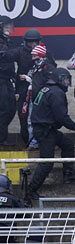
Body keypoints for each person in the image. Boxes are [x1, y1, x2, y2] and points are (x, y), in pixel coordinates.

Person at [25, 68, 75, 206]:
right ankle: (30, 190)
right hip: (45, 131)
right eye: (66, 79)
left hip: (46, 129)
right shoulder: (56, 93)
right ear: (59, 79)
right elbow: (61, 116)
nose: (67, 82)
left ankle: (68, 174)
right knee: (47, 162)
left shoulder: (46, 89)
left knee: (67, 144)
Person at [1, 28, 56, 145]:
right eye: (30, 42)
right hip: (23, 90)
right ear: (25, 42)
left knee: (38, 116)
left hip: (39, 90)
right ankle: (27, 140)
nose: (33, 45)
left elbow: (52, 70)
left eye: (35, 42)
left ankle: (38, 141)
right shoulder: (20, 51)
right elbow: (7, 56)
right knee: (22, 115)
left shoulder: (45, 54)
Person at [0, 16, 16, 146]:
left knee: (11, 108)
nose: (9, 29)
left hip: (7, 79)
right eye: (6, 27)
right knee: (5, 109)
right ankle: (1, 139)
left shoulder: (6, 41)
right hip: (1, 80)